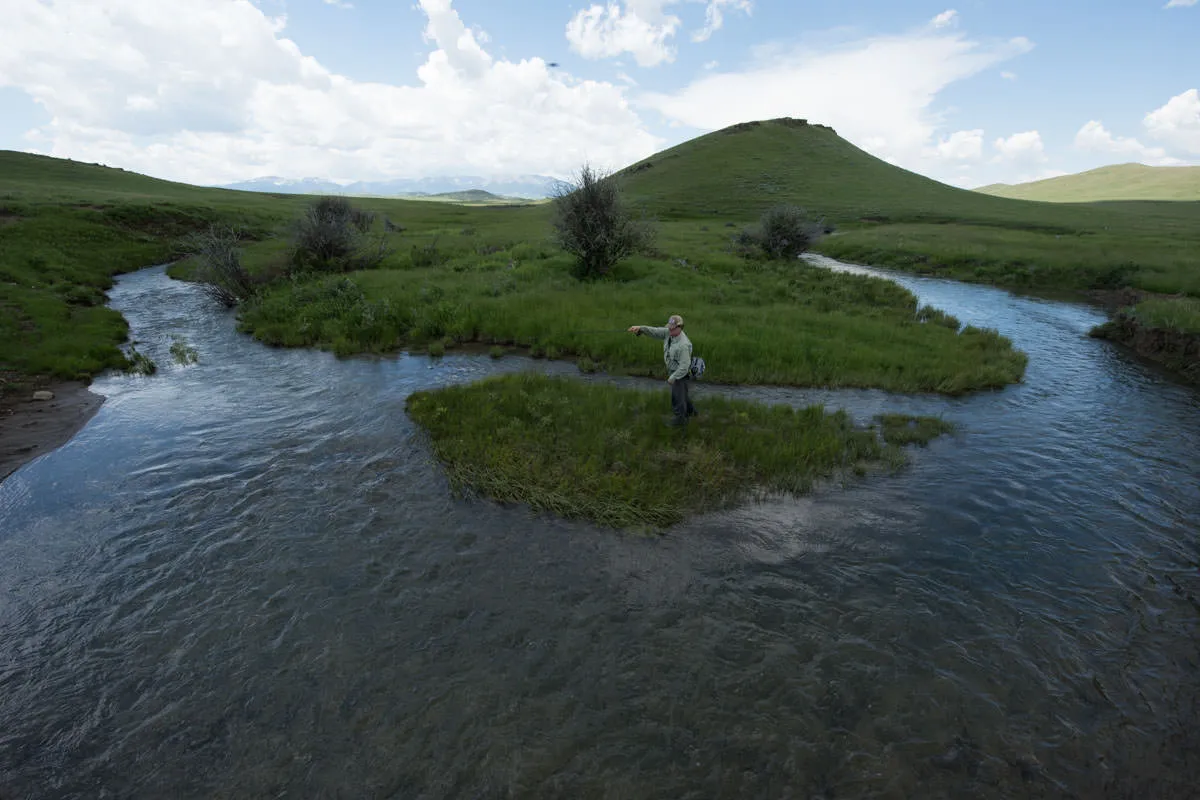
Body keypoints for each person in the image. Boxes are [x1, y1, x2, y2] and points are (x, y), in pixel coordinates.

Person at [627, 314, 696, 426]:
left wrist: (672, 378)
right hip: (674, 371)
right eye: (669, 327)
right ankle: (692, 413)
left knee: (677, 397)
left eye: (672, 328)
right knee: (683, 394)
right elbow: (655, 331)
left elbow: (684, 366)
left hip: (680, 373)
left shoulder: (683, 345)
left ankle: (680, 420)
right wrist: (640, 328)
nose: (670, 330)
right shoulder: (669, 333)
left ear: (680, 327)